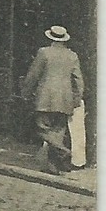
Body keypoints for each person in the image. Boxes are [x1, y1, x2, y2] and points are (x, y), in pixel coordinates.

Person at [20, 24, 85, 173]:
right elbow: (78, 80)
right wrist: (76, 99)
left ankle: (64, 151)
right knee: (57, 133)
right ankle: (53, 168)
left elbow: (33, 76)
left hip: (45, 99)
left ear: (50, 37)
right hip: (65, 101)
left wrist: (25, 93)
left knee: (42, 129)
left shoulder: (44, 53)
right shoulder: (72, 55)